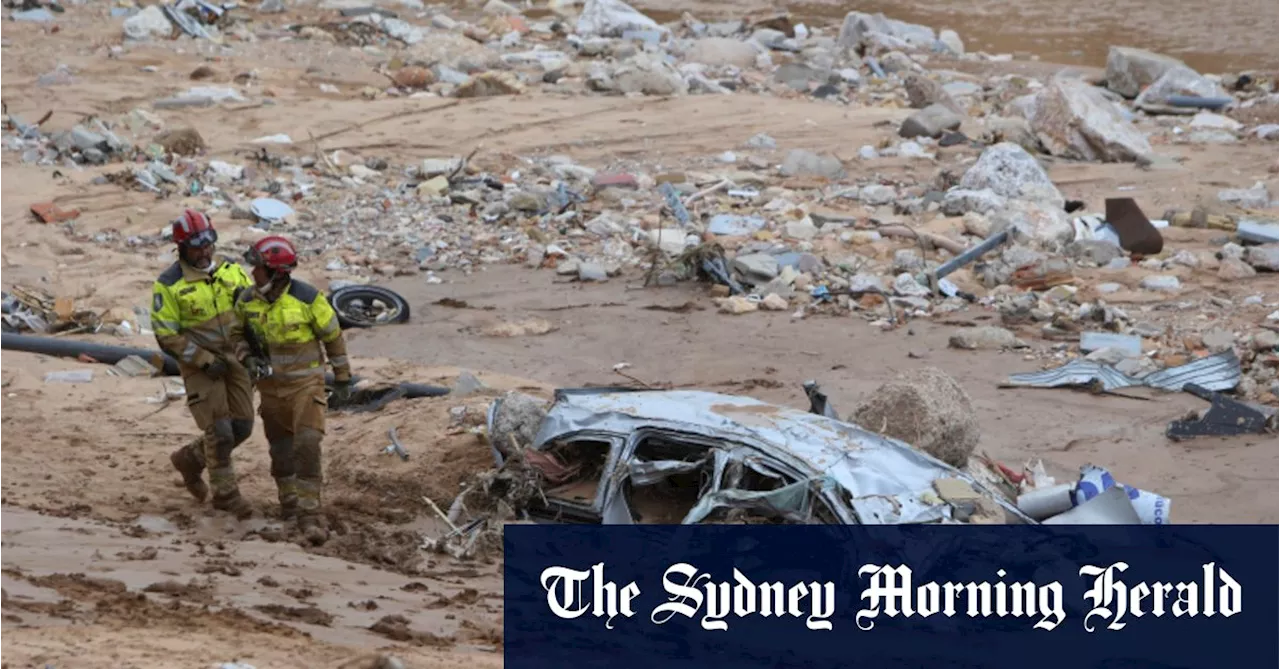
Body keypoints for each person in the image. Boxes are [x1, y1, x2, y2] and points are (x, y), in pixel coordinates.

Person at [232, 235, 353, 545]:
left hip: (305, 386)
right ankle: (289, 506)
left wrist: (342, 379)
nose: (251, 274)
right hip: (271, 389)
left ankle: (310, 512)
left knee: (308, 444)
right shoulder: (246, 301)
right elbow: (237, 336)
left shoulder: (309, 299)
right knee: (281, 449)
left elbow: (333, 338)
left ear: (275, 272)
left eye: (257, 268)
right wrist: (246, 358)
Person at [150, 209, 256, 519]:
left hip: (236, 358)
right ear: (181, 247)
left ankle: (191, 459)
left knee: (242, 426)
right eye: (196, 246)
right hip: (200, 364)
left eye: (208, 243)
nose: (204, 251)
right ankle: (226, 495)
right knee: (220, 430)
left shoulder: (232, 272)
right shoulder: (168, 285)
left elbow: (251, 313)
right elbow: (165, 334)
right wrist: (203, 360)